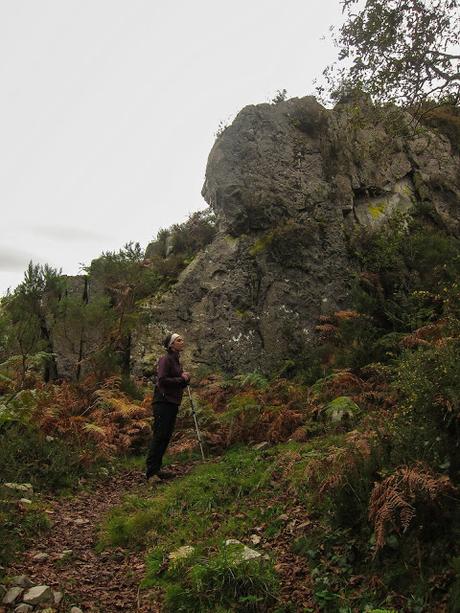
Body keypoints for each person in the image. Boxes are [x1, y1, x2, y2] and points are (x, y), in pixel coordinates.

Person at [145, 332, 190, 481]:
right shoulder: (165, 359)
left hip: (172, 402)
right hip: (162, 402)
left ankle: (157, 470)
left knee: (165, 437)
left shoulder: (176, 361)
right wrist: (182, 378)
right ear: (171, 344)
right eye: (178, 340)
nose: (182, 342)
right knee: (160, 435)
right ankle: (151, 473)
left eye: (181, 340)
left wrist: (185, 379)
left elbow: (178, 382)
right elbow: (162, 380)